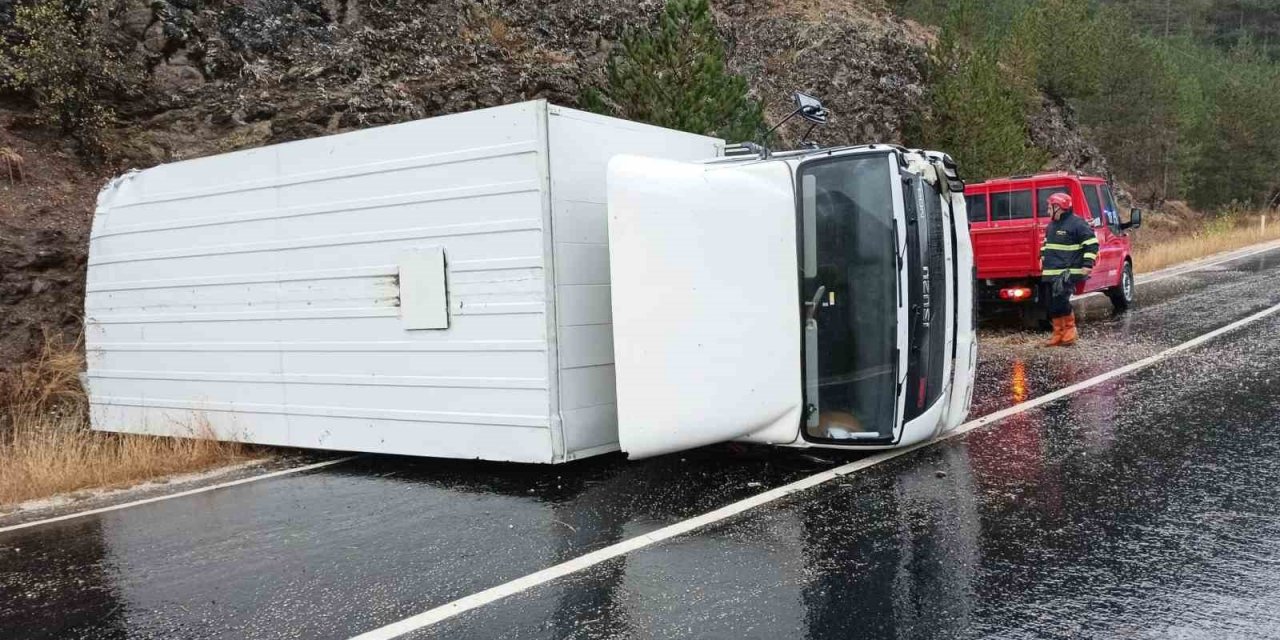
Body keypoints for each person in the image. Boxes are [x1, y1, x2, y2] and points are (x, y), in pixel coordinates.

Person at [1040, 192, 1097, 346]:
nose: (1047, 210)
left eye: (1049, 207)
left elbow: (1092, 244)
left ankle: (1070, 332)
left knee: (1060, 301)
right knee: (1050, 304)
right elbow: (1046, 244)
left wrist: (1087, 264)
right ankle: (1058, 334)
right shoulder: (1052, 225)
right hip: (1050, 272)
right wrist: (1042, 257)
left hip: (1067, 272)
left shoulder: (1077, 224)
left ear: (1058, 207)